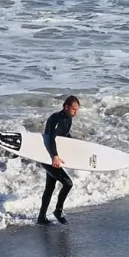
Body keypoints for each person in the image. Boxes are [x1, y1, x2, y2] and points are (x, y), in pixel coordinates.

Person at [37, 95, 80, 225]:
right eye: (74, 109)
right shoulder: (56, 118)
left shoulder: (68, 119)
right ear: (66, 107)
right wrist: (55, 156)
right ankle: (58, 211)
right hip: (48, 157)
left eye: (77, 109)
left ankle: (41, 217)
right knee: (68, 183)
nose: (75, 112)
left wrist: (75, 145)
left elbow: (64, 136)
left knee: (50, 187)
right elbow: (51, 139)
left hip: (54, 157)